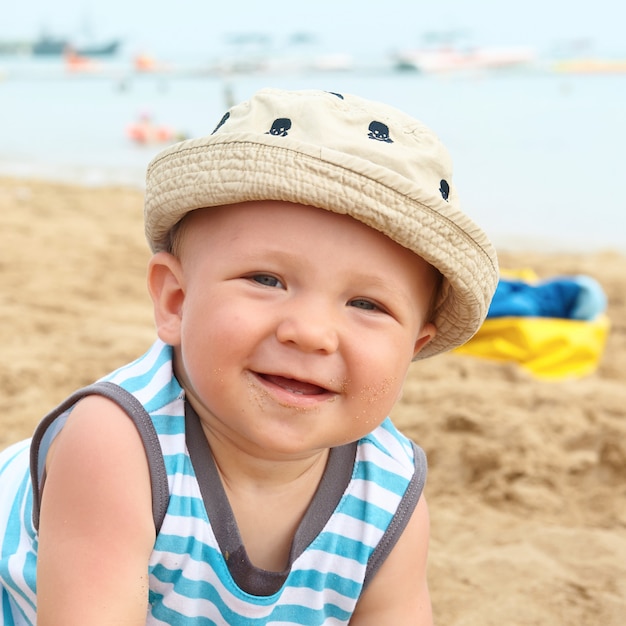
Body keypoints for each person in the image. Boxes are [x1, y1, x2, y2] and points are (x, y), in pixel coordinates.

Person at [0, 88, 498, 625]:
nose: (311, 334)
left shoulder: (389, 488)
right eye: (267, 279)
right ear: (176, 301)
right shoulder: (117, 443)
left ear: (413, 349)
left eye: (366, 304)